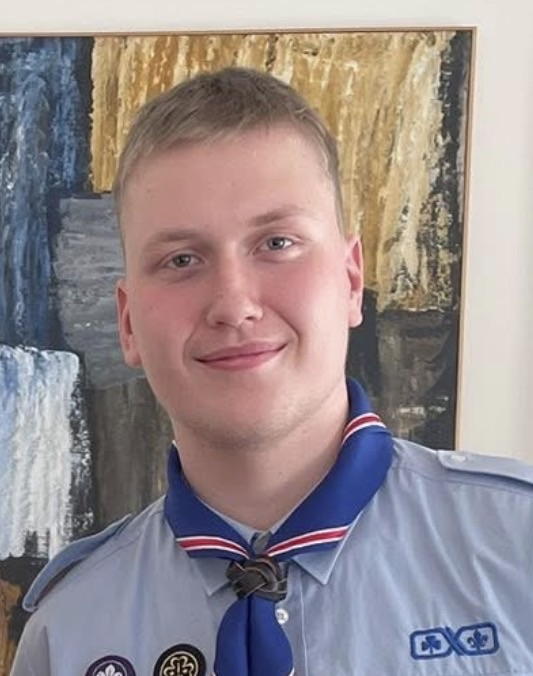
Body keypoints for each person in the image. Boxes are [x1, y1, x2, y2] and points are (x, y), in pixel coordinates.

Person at [10, 67, 533, 676]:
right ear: (128, 324)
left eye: (277, 243)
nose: (234, 304)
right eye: (181, 259)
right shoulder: (68, 630)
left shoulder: (516, 550)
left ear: (351, 280)